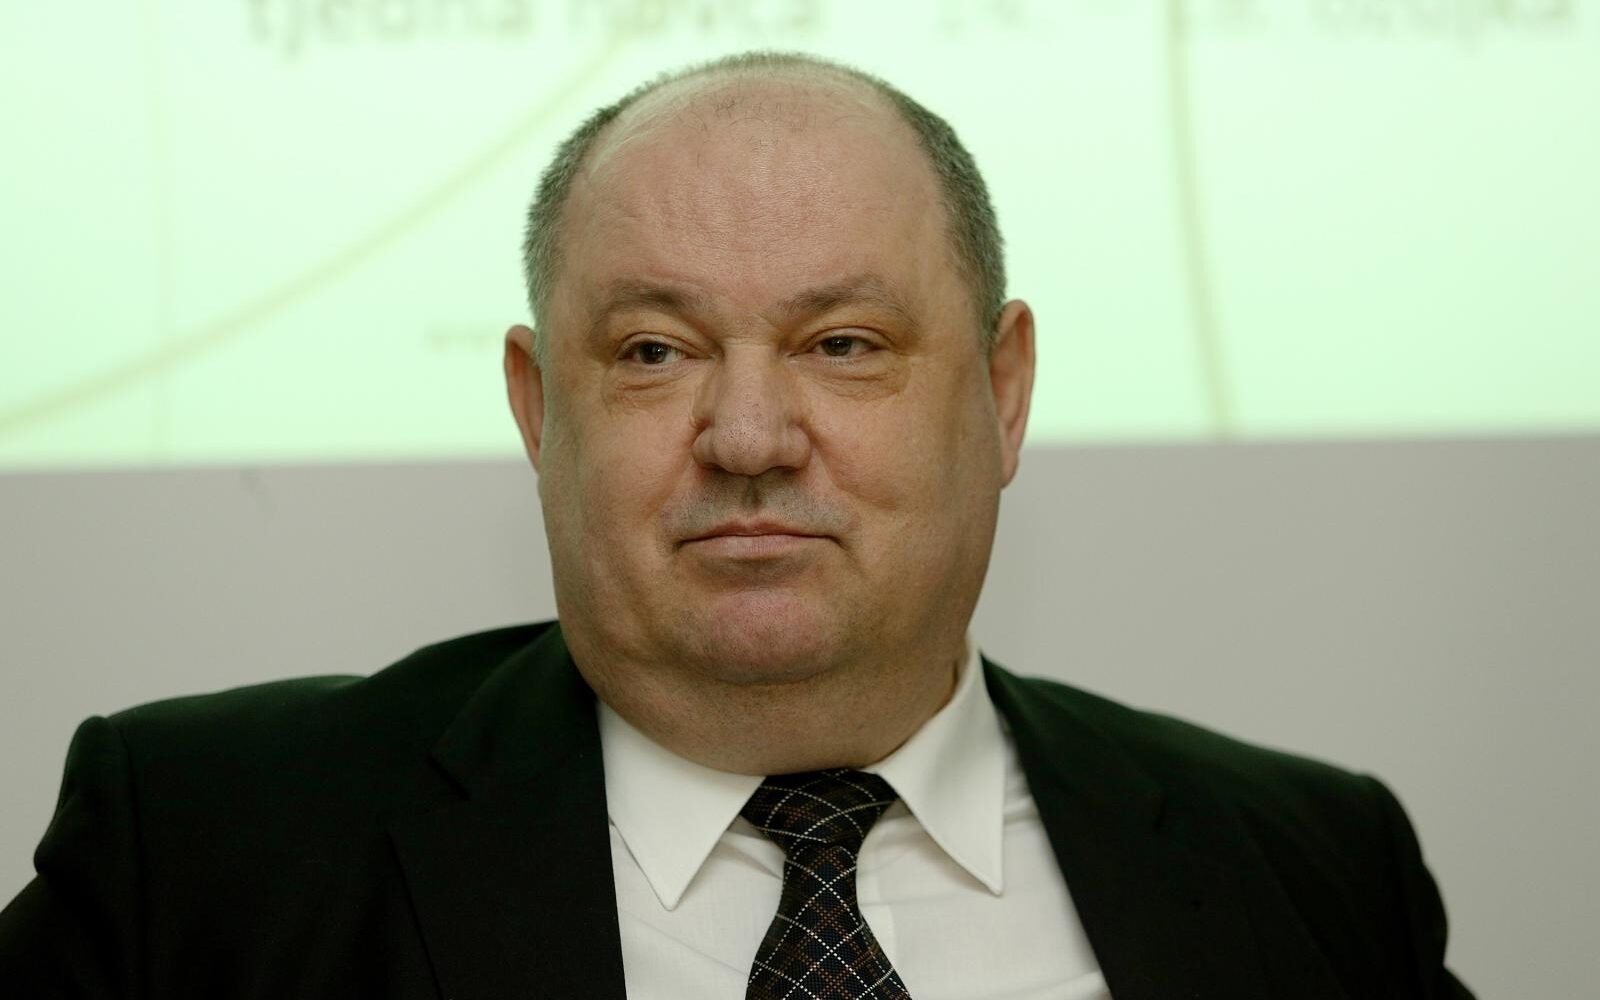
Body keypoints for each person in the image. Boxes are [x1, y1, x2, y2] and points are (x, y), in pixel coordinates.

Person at [0, 51, 1472, 999]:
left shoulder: (1309, 873)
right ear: (537, 409)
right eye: (654, 351)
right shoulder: (200, 860)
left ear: (1004, 393)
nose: (751, 438)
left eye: (844, 345)